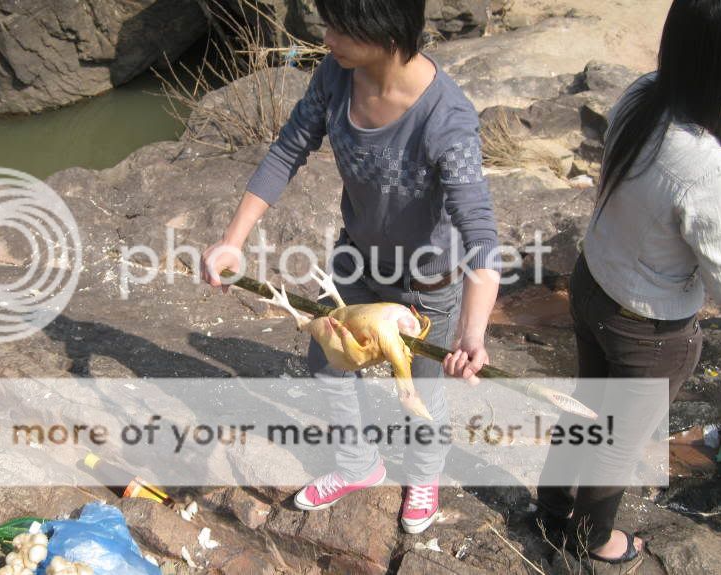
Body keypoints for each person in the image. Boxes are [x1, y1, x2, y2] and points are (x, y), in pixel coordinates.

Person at [536, 0, 721, 565]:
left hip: (595, 282)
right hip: (646, 328)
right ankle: (593, 539)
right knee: (618, 437)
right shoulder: (708, 162)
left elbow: (665, 212)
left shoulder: (644, 94)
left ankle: (551, 506)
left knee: (587, 407)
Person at [200, 0, 503, 534]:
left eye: (339, 26)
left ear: (385, 31)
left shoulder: (446, 118)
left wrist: (472, 333)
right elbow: (288, 149)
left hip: (426, 284)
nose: (326, 36)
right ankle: (360, 463)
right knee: (328, 363)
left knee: (425, 392)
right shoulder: (336, 76)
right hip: (355, 263)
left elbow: (479, 235)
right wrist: (232, 241)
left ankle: (425, 475)